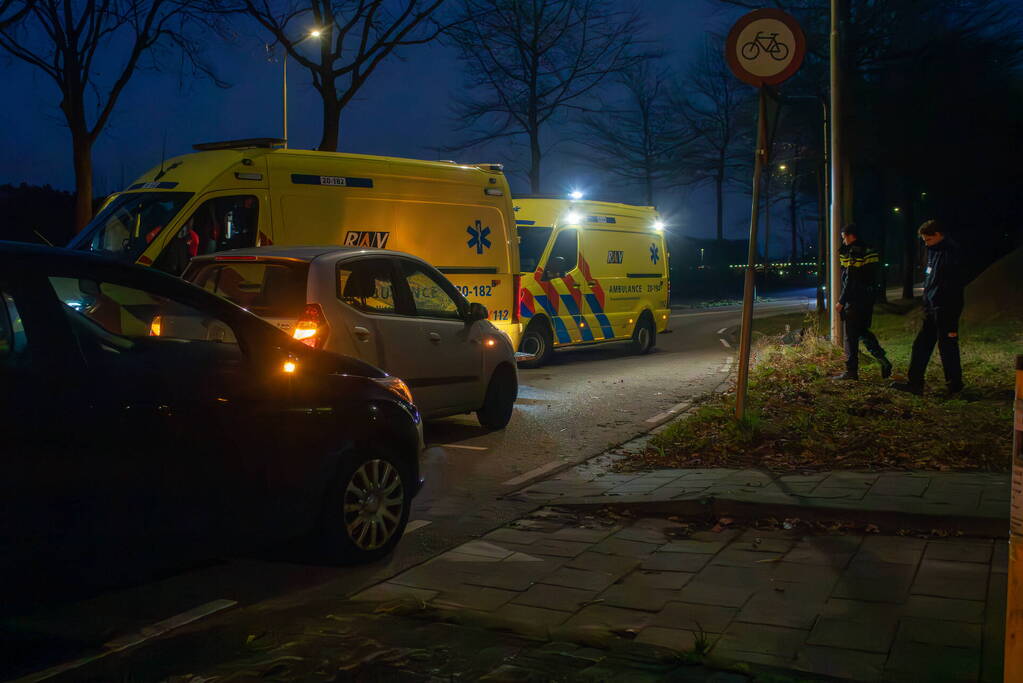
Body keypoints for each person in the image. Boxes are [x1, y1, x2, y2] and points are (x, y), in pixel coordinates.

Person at [893, 219, 964, 395]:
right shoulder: (933, 252)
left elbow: (950, 283)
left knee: (947, 347)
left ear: (938, 235)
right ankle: (915, 383)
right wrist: (927, 302)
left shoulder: (951, 252)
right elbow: (930, 279)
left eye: (928, 239)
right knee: (921, 345)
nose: (925, 243)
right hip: (932, 308)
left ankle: (954, 387)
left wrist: (941, 303)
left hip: (946, 308)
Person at [833, 224, 892, 381]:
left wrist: (841, 301)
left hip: (854, 301)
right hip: (867, 299)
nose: (843, 241)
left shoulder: (853, 252)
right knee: (863, 332)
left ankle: (851, 372)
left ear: (851, 236)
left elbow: (850, 280)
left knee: (850, 337)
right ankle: (882, 359)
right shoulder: (870, 250)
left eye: (844, 237)